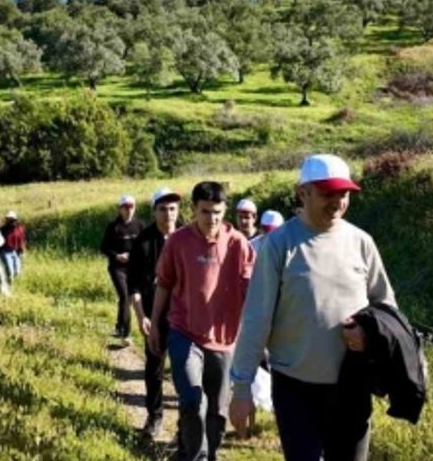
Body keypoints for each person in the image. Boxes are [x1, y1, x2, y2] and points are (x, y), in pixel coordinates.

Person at [228, 154, 397, 461]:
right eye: (326, 194)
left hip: (351, 386)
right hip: (296, 388)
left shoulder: (361, 243)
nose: (337, 202)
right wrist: (241, 390)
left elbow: (387, 309)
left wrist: (369, 334)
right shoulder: (279, 245)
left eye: (343, 194)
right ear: (301, 193)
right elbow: (256, 319)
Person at [148, 181, 255, 461]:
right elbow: (164, 284)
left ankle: (199, 451)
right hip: (184, 331)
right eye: (205, 212)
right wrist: (155, 325)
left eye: (218, 212)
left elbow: (254, 290)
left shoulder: (238, 244)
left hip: (224, 339)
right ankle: (194, 456)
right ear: (193, 209)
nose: (213, 219)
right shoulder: (178, 242)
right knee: (193, 401)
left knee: (218, 414)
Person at [128, 187, 181, 439]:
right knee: (154, 367)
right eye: (163, 208)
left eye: (172, 208)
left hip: (185, 315)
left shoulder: (188, 238)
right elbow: (134, 285)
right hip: (154, 314)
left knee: (186, 370)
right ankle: (155, 415)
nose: (168, 213)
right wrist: (141, 317)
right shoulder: (143, 242)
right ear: (154, 211)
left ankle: (187, 423)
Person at [100, 194, 142, 345]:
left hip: (134, 267)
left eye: (131, 206)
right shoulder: (113, 227)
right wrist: (117, 256)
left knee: (129, 299)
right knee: (125, 296)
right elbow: (104, 248)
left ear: (135, 208)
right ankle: (126, 334)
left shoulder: (139, 225)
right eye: (125, 207)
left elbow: (144, 247)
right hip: (117, 268)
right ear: (119, 209)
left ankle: (119, 325)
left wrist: (133, 255)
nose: (128, 209)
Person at [0, 211, 27, 283]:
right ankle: (9, 285)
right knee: (10, 272)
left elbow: (22, 240)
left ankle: (12, 284)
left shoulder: (19, 229)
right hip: (5, 252)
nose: (10, 221)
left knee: (17, 272)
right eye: (8, 219)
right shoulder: (3, 229)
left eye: (11, 219)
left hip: (15, 252)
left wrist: (22, 251)